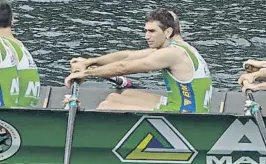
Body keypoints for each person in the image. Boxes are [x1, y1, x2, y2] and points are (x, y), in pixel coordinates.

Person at [66, 9, 212, 112]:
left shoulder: (172, 53)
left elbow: (124, 67)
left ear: (168, 32)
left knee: (106, 106)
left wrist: (87, 74)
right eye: (146, 31)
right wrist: (90, 62)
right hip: (183, 105)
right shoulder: (179, 47)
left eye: (152, 31)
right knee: (117, 96)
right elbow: (128, 56)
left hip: (185, 114)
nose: (146, 36)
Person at [0, 2, 41, 107]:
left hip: (6, 113)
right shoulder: (18, 46)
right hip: (24, 109)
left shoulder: (2, 46)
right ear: (12, 20)